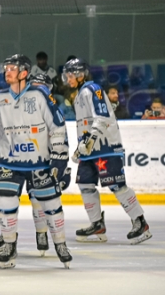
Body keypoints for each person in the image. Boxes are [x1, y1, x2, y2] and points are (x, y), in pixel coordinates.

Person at [0, 54, 73, 269]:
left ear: (24, 73)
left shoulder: (40, 96)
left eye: (12, 68)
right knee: (4, 203)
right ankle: (9, 246)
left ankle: (60, 244)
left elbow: (57, 127)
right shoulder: (0, 98)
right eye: (6, 68)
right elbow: (0, 134)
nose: (6, 72)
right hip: (10, 161)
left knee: (51, 205)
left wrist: (59, 155)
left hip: (39, 162)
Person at [63, 59, 152, 244]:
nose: (68, 79)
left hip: (106, 148)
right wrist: (81, 146)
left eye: (71, 75)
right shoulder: (79, 94)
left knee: (117, 185)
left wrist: (90, 140)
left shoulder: (92, 89)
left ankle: (140, 222)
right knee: (85, 185)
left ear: (81, 74)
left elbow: (102, 117)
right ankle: (97, 224)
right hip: (90, 150)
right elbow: (86, 124)